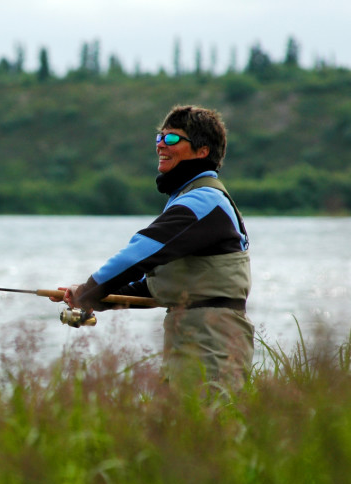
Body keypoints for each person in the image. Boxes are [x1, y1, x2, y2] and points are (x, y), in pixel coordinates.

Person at [54, 105, 254, 391]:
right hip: (192, 337)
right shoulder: (192, 199)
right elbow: (152, 285)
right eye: (159, 137)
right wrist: (88, 297)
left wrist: (90, 290)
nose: (161, 144)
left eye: (172, 139)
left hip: (213, 342)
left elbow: (138, 255)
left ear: (202, 151)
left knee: (208, 430)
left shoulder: (203, 202)